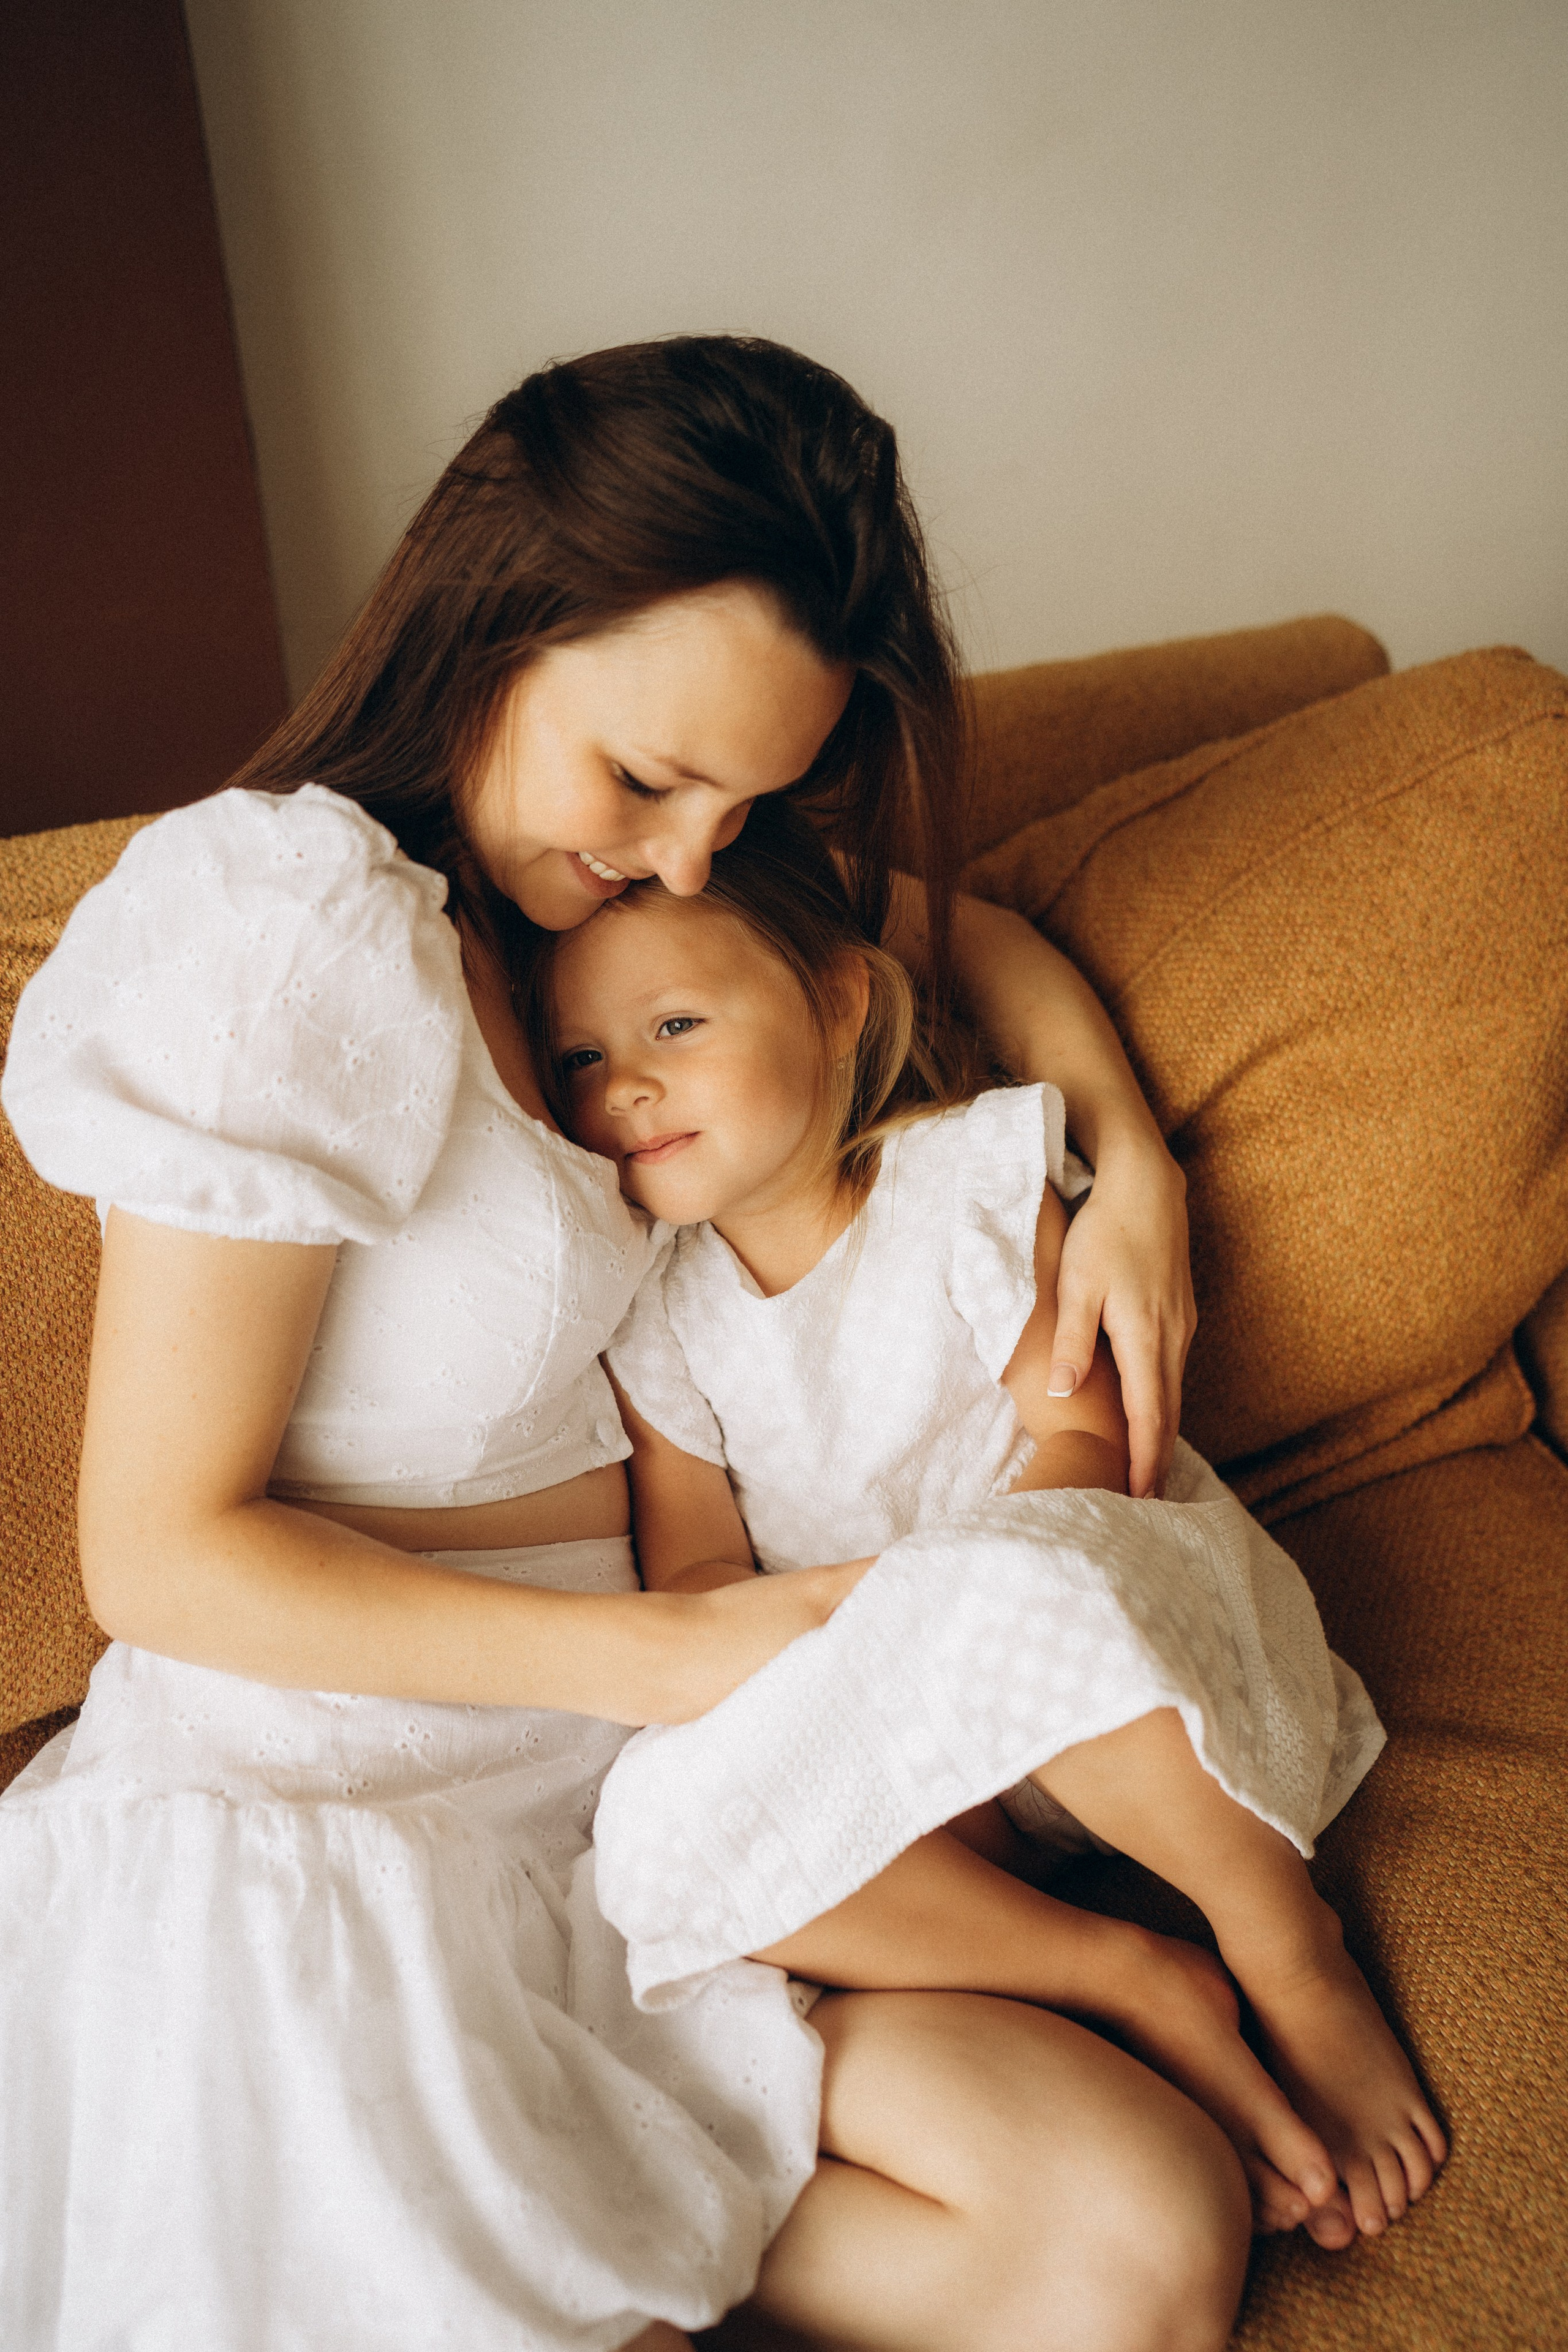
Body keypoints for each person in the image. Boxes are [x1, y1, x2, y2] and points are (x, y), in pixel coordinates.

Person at [0, 336, 1243, 2352]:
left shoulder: (591, 938)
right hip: (332, 1824)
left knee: (1136, 2234)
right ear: (499, 616)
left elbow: (930, 936)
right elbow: (153, 1554)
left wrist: (1135, 1165)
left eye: (743, 803)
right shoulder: (300, 919)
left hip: (635, 1834)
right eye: (651, 778)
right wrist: (665, 1652)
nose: (686, 856)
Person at [537, 793, 1448, 2260]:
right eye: (581, 1058)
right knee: (650, 1840)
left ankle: (1285, 1948)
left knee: (1007, 1585)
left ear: (836, 1006)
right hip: (900, 1703)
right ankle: (1118, 1971)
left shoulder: (956, 1178)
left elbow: (1083, 1439)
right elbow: (699, 1568)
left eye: (673, 1028)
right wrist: (866, 1640)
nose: (624, 1089)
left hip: (1087, 1644)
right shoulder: (658, 1314)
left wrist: (931, 1607)